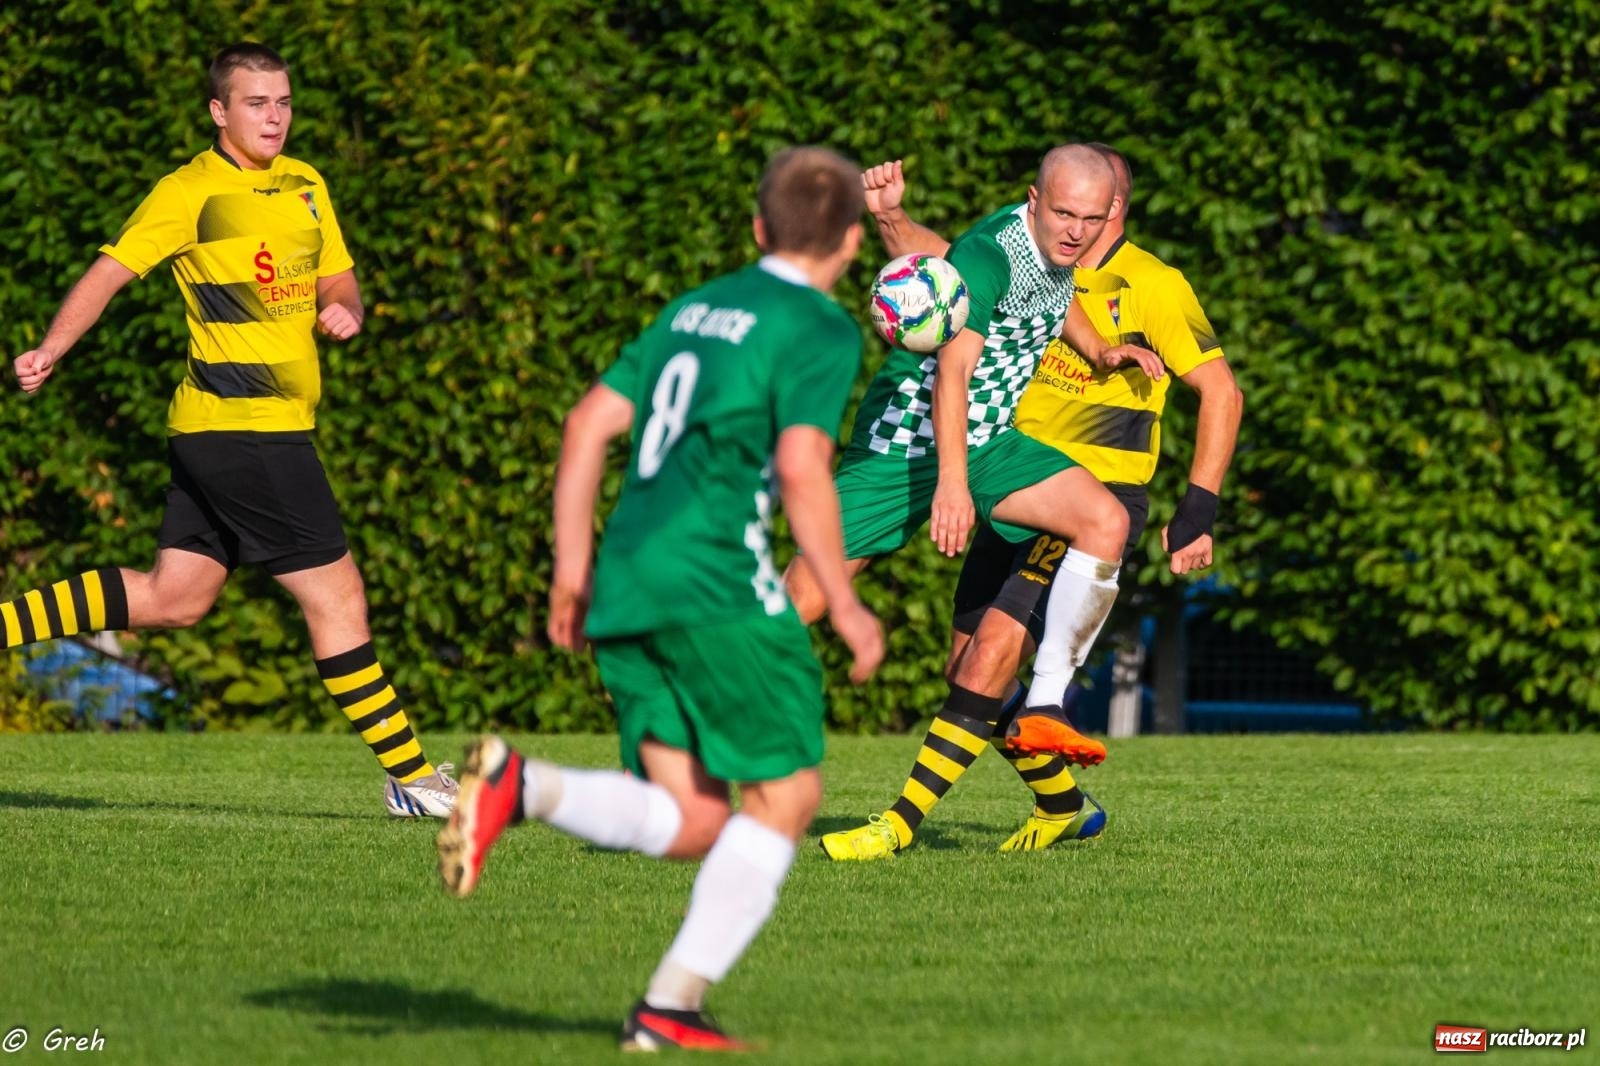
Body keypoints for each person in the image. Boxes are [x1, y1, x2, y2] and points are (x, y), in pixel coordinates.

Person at [435, 146, 885, 1051]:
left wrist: (572, 569)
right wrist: (842, 598)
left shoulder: (692, 308)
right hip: (716, 583)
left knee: (696, 819)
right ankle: (670, 1005)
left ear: (757, 228)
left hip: (627, 577)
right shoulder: (821, 327)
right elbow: (803, 465)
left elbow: (586, 424)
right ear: (850, 242)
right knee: (789, 796)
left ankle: (524, 787)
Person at [5, 43, 456, 817]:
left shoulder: (306, 182)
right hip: (245, 428)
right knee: (338, 596)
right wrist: (51, 347)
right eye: (256, 103)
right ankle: (414, 782)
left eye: (283, 102)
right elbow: (110, 270)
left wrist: (343, 305)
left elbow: (337, 274)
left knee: (173, 598)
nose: (274, 117)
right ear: (219, 111)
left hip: (235, 430)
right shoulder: (190, 192)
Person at [823, 148, 1244, 859]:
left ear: (1113, 209)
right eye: (1063, 209)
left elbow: (1222, 391)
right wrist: (892, 218)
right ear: (1041, 202)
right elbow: (955, 263)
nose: (1075, 225)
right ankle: (1064, 805)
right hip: (1014, 476)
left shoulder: (1154, 283)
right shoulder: (1035, 258)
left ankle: (897, 825)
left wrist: (1198, 509)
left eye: (1091, 212)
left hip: (1089, 492)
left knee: (988, 659)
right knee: (966, 667)